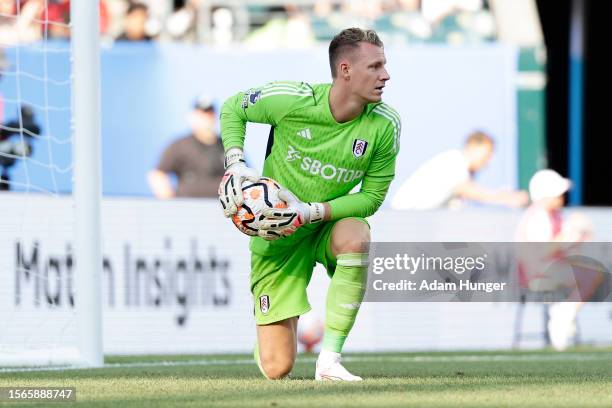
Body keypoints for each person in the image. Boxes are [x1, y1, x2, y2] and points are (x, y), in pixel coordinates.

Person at [218, 27, 399, 381]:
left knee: (356, 235)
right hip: (277, 239)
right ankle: (276, 328)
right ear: (345, 70)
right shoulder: (294, 100)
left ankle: (329, 360)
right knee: (276, 368)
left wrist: (313, 211)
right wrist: (236, 161)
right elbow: (232, 107)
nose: (386, 75)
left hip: (324, 225)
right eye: (375, 66)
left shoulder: (384, 125)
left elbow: (372, 197)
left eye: (385, 65)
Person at [515, 169, 604, 351]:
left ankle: (564, 314)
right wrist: (568, 234)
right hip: (538, 275)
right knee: (592, 274)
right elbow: (542, 252)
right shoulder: (538, 217)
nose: (562, 197)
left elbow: (564, 250)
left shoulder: (553, 215)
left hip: (551, 270)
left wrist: (581, 234)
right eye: (558, 193)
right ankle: (564, 315)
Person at [391, 130, 528, 210]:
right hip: (404, 221)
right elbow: (470, 190)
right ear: (473, 147)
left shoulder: (461, 167)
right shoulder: (454, 162)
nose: (489, 160)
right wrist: (508, 198)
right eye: (488, 153)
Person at [148, 94, 225, 198]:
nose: (206, 119)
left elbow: (244, 176)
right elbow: (157, 175)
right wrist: (170, 204)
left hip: (221, 209)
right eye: (202, 114)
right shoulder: (180, 146)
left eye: (209, 114)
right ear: (192, 117)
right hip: (188, 209)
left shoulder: (227, 146)